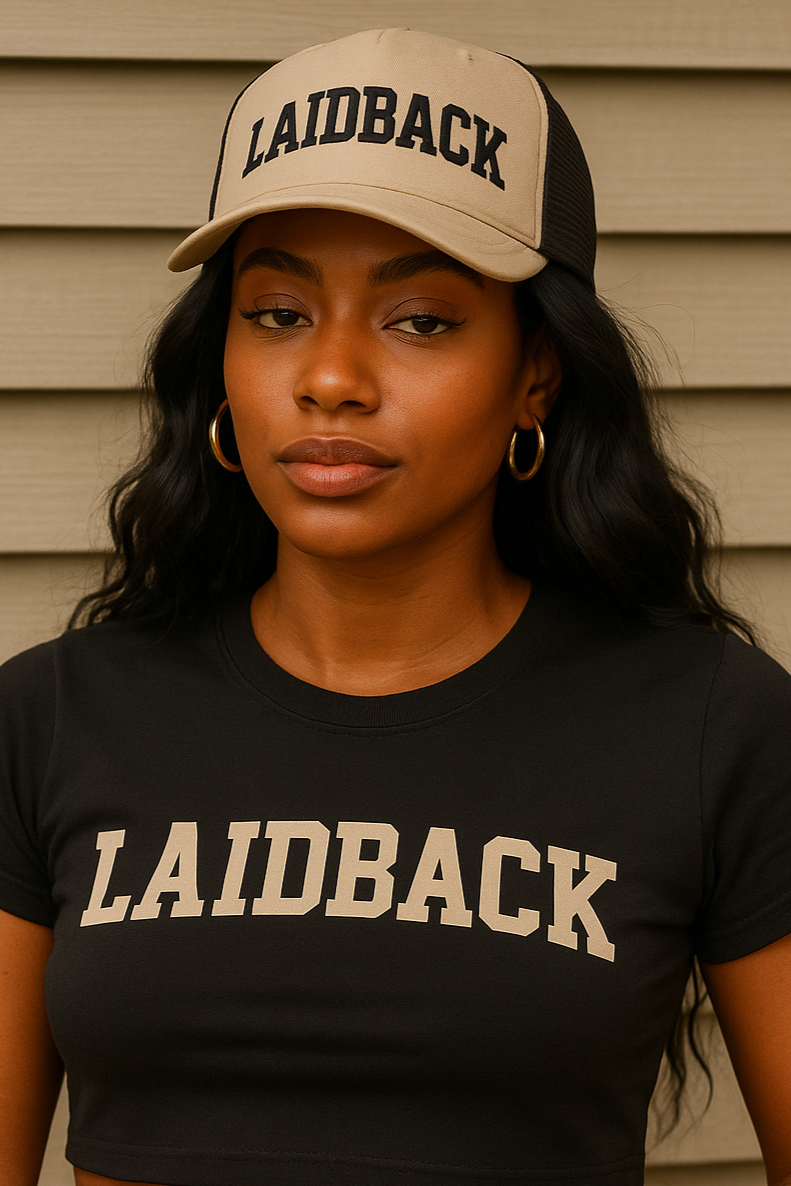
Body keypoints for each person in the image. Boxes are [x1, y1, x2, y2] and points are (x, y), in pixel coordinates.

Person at [1, 26, 790, 1186]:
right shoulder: (52, 716)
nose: (329, 377)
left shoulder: (710, 723)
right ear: (218, 360)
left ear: (537, 372)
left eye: (418, 318)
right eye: (275, 312)